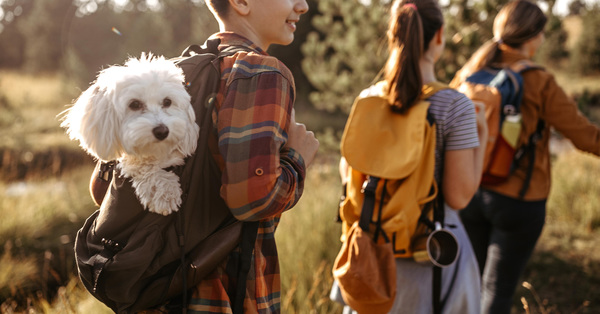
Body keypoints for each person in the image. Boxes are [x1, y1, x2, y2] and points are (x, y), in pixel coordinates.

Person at [331, 0, 488, 313]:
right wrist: (482, 135)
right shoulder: (455, 105)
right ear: (439, 35)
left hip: (370, 257)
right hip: (431, 256)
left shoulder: (369, 97)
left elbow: (349, 173)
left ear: (392, 35)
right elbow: (458, 197)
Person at [451, 1, 600, 313]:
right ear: (534, 36)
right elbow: (585, 136)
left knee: (469, 284)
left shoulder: (470, 72)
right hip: (519, 199)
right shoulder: (539, 81)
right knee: (497, 290)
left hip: (468, 192)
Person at [184, 0, 319, 312]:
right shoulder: (262, 71)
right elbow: (253, 199)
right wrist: (298, 158)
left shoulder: (180, 69)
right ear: (241, 2)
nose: (303, 6)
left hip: (165, 290)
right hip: (226, 295)